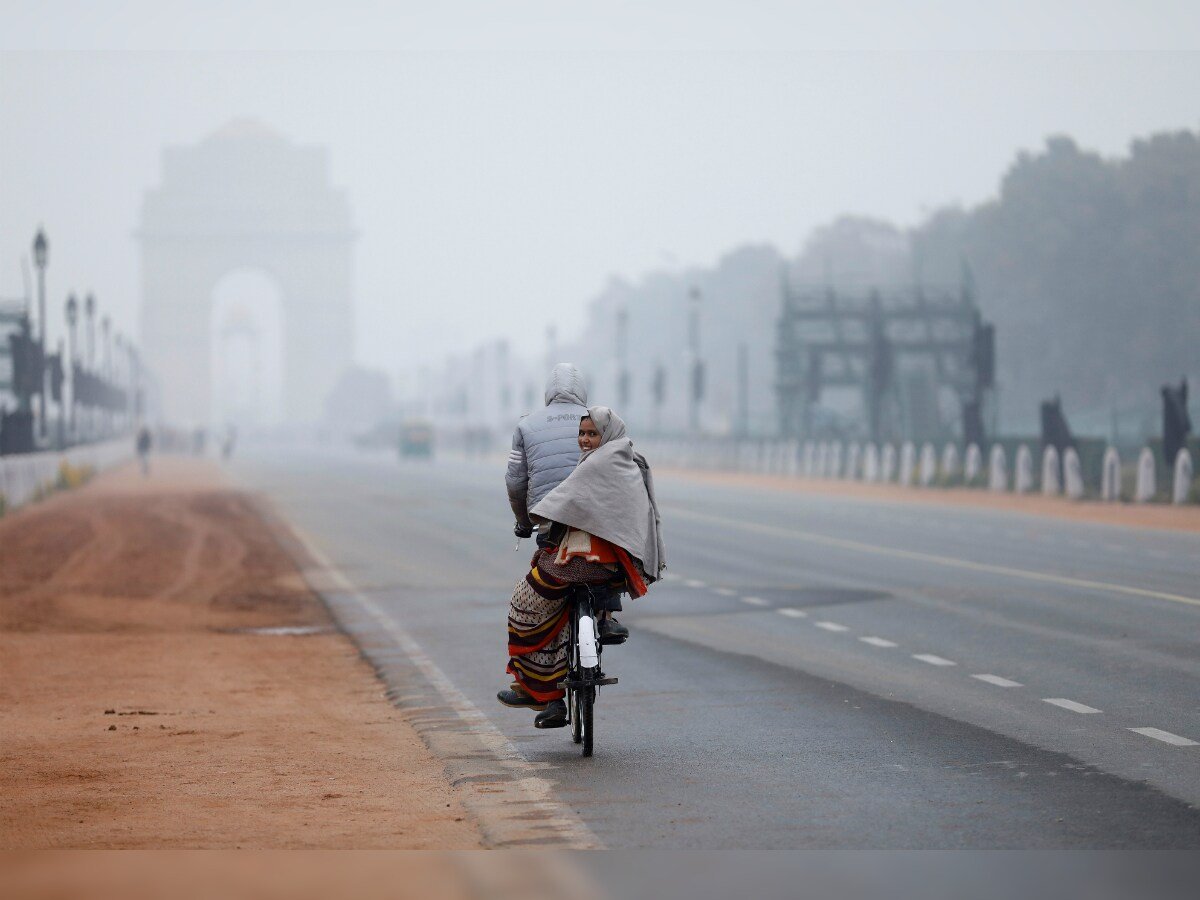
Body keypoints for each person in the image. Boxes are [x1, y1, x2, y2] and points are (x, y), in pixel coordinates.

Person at [498, 407, 665, 729]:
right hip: (621, 569)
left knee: (525, 602)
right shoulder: (629, 459)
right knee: (560, 609)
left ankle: (543, 692)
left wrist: (534, 518)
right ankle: (604, 620)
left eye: (592, 434)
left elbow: (561, 502)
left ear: (607, 435)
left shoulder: (598, 463)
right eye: (582, 434)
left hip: (581, 566)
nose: (586, 440)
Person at [505, 363, 628, 642]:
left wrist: (524, 523)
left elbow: (515, 482)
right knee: (610, 552)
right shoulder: (600, 422)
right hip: (596, 518)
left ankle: (544, 648)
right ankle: (607, 615)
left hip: (550, 519)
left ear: (547, 393)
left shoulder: (526, 425)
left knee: (545, 585)